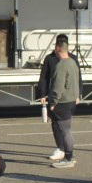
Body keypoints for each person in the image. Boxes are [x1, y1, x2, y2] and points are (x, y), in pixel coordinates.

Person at [36, 33, 82, 161]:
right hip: (57, 97)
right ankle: (62, 149)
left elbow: (77, 78)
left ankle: (66, 153)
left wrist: (78, 94)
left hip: (63, 99)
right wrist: (43, 94)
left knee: (64, 129)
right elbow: (44, 77)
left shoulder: (71, 59)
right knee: (58, 125)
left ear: (58, 47)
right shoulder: (50, 58)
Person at [48, 37, 80, 168]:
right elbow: (77, 81)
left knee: (65, 132)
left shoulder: (60, 66)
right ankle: (69, 156)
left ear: (57, 48)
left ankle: (68, 158)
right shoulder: (73, 62)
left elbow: (58, 86)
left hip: (62, 102)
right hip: (71, 100)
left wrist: (53, 102)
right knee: (67, 131)